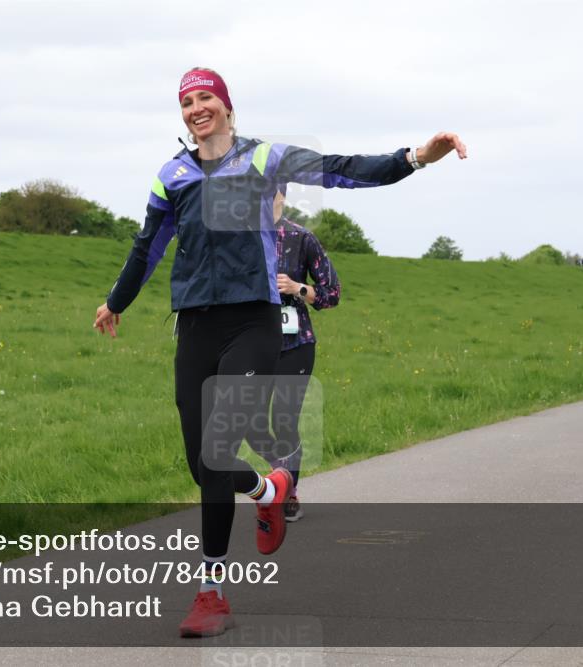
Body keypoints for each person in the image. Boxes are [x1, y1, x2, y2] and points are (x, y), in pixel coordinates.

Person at [93, 66, 467, 638]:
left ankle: (211, 595)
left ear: (227, 106)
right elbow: (148, 246)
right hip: (194, 324)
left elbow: (339, 169)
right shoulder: (172, 174)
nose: (196, 109)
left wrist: (415, 158)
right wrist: (116, 301)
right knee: (202, 464)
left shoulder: (263, 158)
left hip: (254, 320)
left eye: (206, 98)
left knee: (219, 450)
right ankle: (269, 490)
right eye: (187, 102)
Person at [246, 188, 340, 522]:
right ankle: (281, 475)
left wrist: (298, 288)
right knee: (249, 423)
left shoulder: (302, 238)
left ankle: (287, 495)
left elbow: (332, 294)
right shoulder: (239, 237)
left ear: (281, 196)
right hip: (253, 344)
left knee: (284, 422)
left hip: (295, 345)